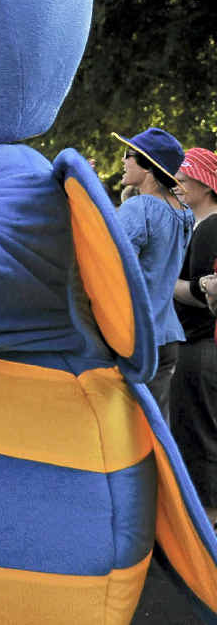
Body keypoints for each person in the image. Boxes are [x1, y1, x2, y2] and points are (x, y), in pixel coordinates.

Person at [111, 128, 193, 422]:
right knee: (155, 427)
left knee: (124, 429)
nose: (123, 161)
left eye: (128, 155)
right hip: (167, 333)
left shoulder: (140, 207)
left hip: (136, 335)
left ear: (147, 164)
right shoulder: (184, 212)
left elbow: (111, 266)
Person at [170, 147, 217, 522]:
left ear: (206, 183)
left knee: (199, 440)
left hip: (200, 345)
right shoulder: (199, 224)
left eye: (185, 179)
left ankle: (207, 527)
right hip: (199, 347)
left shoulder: (210, 227)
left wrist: (165, 281)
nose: (179, 185)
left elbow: (203, 293)